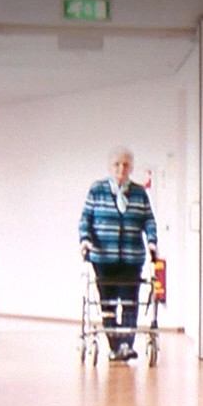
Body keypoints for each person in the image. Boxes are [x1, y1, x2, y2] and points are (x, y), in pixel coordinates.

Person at [79, 148, 158, 361]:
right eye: (117, 164)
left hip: (132, 258)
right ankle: (114, 346)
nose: (121, 168)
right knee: (108, 303)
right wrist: (85, 239)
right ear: (110, 167)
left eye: (125, 164)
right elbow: (86, 219)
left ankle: (126, 345)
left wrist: (152, 242)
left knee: (130, 301)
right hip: (103, 258)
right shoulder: (97, 189)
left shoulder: (139, 193)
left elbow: (149, 220)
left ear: (131, 168)